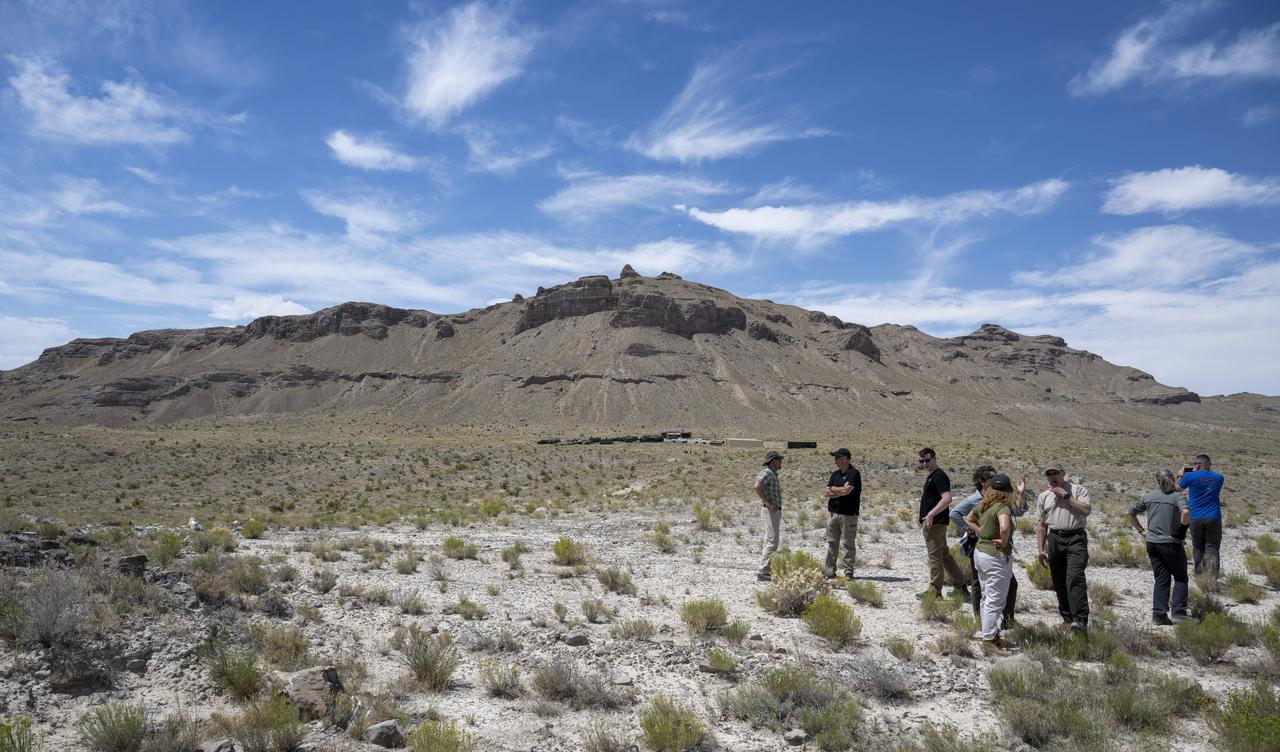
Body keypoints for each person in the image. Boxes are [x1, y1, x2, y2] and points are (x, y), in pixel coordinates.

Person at [952, 466, 1026, 626]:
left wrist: (1020, 493)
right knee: (979, 583)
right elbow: (955, 514)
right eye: (991, 478)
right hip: (979, 545)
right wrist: (976, 531)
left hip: (996, 548)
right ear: (982, 481)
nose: (995, 480)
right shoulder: (974, 499)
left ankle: (1007, 619)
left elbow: (1019, 511)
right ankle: (981, 620)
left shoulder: (1001, 499)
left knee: (1009, 584)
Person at [1128, 469, 1192, 625]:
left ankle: (1159, 614)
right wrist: (1181, 533)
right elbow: (1185, 512)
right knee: (1181, 576)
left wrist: (1142, 531)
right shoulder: (1178, 497)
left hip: (1152, 543)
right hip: (1171, 543)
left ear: (1157, 481)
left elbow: (1130, 512)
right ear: (1172, 480)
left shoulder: (1149, 496)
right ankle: (1179, 612)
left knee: (1161, 577)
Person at [1035, 463, 1092, 633]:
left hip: (1075, 537)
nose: (1052, 476)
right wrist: (1041, 549)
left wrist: (1065, 495)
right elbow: (1041, 524)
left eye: (1056, 473)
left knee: (1074, 577)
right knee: (1059, 581)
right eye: (1049, 474)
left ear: (1063, 474)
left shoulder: (1078, 490)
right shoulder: (1043, 496)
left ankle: (1080, 619)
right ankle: (1068, 619)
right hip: (1055, 538)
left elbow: (1085, 510)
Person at [965, 474, 1018, 655]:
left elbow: (969, 518)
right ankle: (988, 639)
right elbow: (1004, 527)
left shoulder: (984, 504)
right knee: (995, 599)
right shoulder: (1003, 507)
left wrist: (981, 532)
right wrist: (1003, 542)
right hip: (995, 556)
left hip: (980, 553)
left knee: (986, 595)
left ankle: (989, 633)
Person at [917, 448, 967, 600]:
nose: (925, 463)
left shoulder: (939, 476)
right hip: (937, 523)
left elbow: (947, 498)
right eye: (922, 461)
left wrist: (931, 514)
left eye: (927, 460)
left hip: (935, 523)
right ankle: (960, 585)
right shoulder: (933, 476)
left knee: (935, 557)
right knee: (944, 555)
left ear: (934, 459)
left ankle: (935, 591)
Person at [1178, 454, 1225, 580]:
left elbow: (1177, 489)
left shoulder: (1190, 476)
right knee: (1212, 548)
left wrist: (1181, 475)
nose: (1194, 466)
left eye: (1195, 464)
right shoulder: (1219, 477)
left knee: (1198, 547)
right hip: (1214, 517)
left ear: (1198, 464)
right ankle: (1211, 578)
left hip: (1196, 517)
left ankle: (1199, 576)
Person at [823, 448, 862, 579]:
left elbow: (847, 491)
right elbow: (827, 492)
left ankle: (848, 572)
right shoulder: (835, 475)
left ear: (845, 459)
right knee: (832, 543)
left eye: (837, 458)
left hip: (848, 514)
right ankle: (829, 570)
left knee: (848, 544)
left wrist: (835, 490)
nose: (835, 461)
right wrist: (837, 490)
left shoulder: (854, 474)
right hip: (833, 513)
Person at [754, 451, 785, 581]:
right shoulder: (767, 473)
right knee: (773, 541)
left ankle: (765, 569)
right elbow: (757, 486)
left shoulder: (772, 474)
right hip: (770, 510)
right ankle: (763, 571)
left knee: (769, 540)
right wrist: (767, 502)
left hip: (773, 510)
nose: (781, 462)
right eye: (779, 460)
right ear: (773, 461)